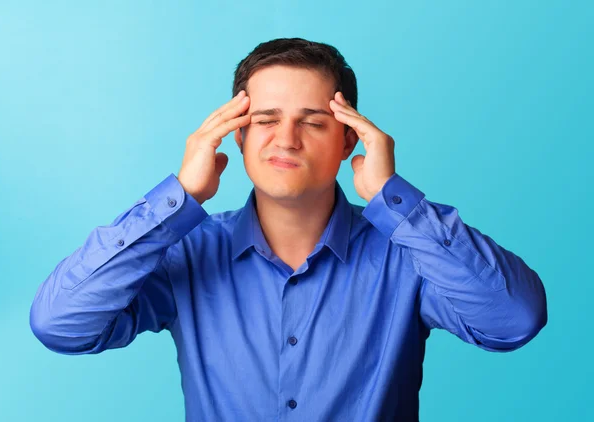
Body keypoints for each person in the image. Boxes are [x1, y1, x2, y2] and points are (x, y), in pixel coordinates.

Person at [30, 37, 548, 421]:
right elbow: (61, 325)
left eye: (314, 122)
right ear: (235, 136)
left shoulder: (408, 253)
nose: (287, 139)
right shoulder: (187, 251)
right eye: (265, 119)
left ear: (349, 142)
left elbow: (513, 322)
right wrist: (177, 201)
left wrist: (397, 201)